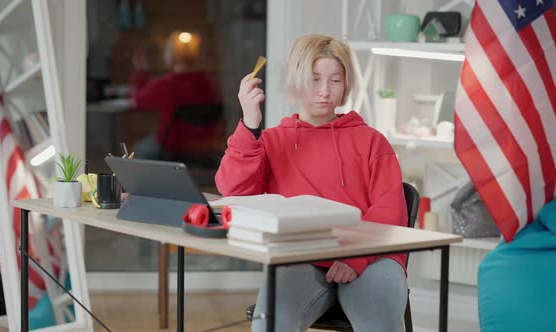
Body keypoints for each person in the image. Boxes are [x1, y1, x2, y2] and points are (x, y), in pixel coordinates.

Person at [215, 34, 408, 331]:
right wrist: (250, 123)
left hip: (372, 257)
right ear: (296, 81)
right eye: (315, 79)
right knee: (270, 325)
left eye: (335, 80)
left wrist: (355, 256)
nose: (324, 91)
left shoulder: (372, 141)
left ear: (346, 85)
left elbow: (390, 211)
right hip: (300, 259)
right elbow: (235, 193)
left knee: (379, 325)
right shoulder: (271, 141)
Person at [129, 31, 222, 160]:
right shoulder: (209, 83)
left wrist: (141, 71)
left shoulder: (165, 85)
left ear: (169, 55)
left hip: (172, 147)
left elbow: (138, 100)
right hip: (205, 148)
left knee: (139, 148)